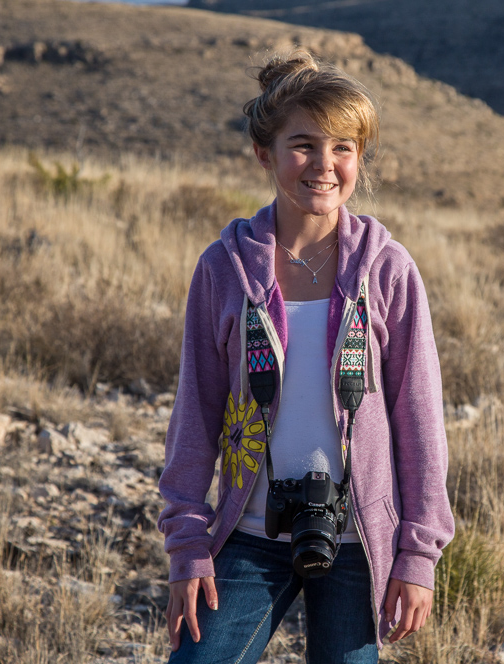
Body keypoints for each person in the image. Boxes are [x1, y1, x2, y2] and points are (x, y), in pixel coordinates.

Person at [157, 49, 454, 664]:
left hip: (358, 542)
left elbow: (418, 420)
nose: (324, 165)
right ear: (264, 154)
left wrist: (417, 555)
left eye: (343, 147)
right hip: (251, 533)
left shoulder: (389, 271)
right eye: (304, 145)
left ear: (359, 159)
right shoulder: (224, 270)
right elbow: (196, 416)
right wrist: (187, 545)